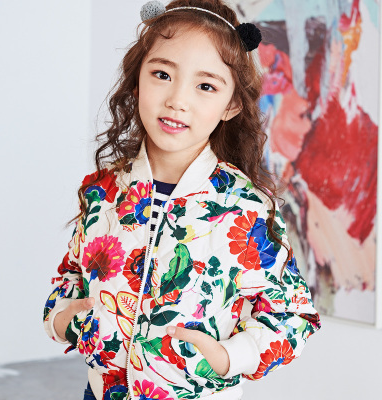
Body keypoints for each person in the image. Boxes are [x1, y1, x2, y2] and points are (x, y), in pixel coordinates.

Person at [43, 1, 321, 399]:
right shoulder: (101, 190)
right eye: (162, 74)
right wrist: (61, 320)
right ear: (137, 82)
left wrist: (227, 357)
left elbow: (293, 315)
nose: (177, 99)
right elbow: (71, 275)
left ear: (231, 105)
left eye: (205, 86)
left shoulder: (246, 208)